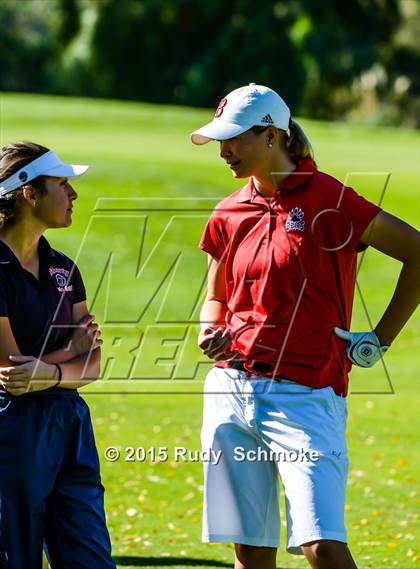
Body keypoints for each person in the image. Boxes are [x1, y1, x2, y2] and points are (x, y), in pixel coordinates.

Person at [191, 84, 419, 569]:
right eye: (219, 140)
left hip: (308, 395)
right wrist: (209, 329)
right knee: (250, 551)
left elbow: (417, 253)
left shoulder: (331, 199)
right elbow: (216, 297)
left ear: (271, 135)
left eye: (234, 138)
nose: (224, 150)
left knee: (322, 546)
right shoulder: (228, 211)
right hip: (232, 390)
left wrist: (380, 340)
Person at [0, 142, 116, 569]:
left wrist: (50, 370)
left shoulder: (63, 269)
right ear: (29, 192)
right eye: (63, 184)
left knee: (91, 559)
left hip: (69, 427)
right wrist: (69, 354)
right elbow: (11, 373)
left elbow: (94, 364)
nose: (74, 195)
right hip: (11, 430)